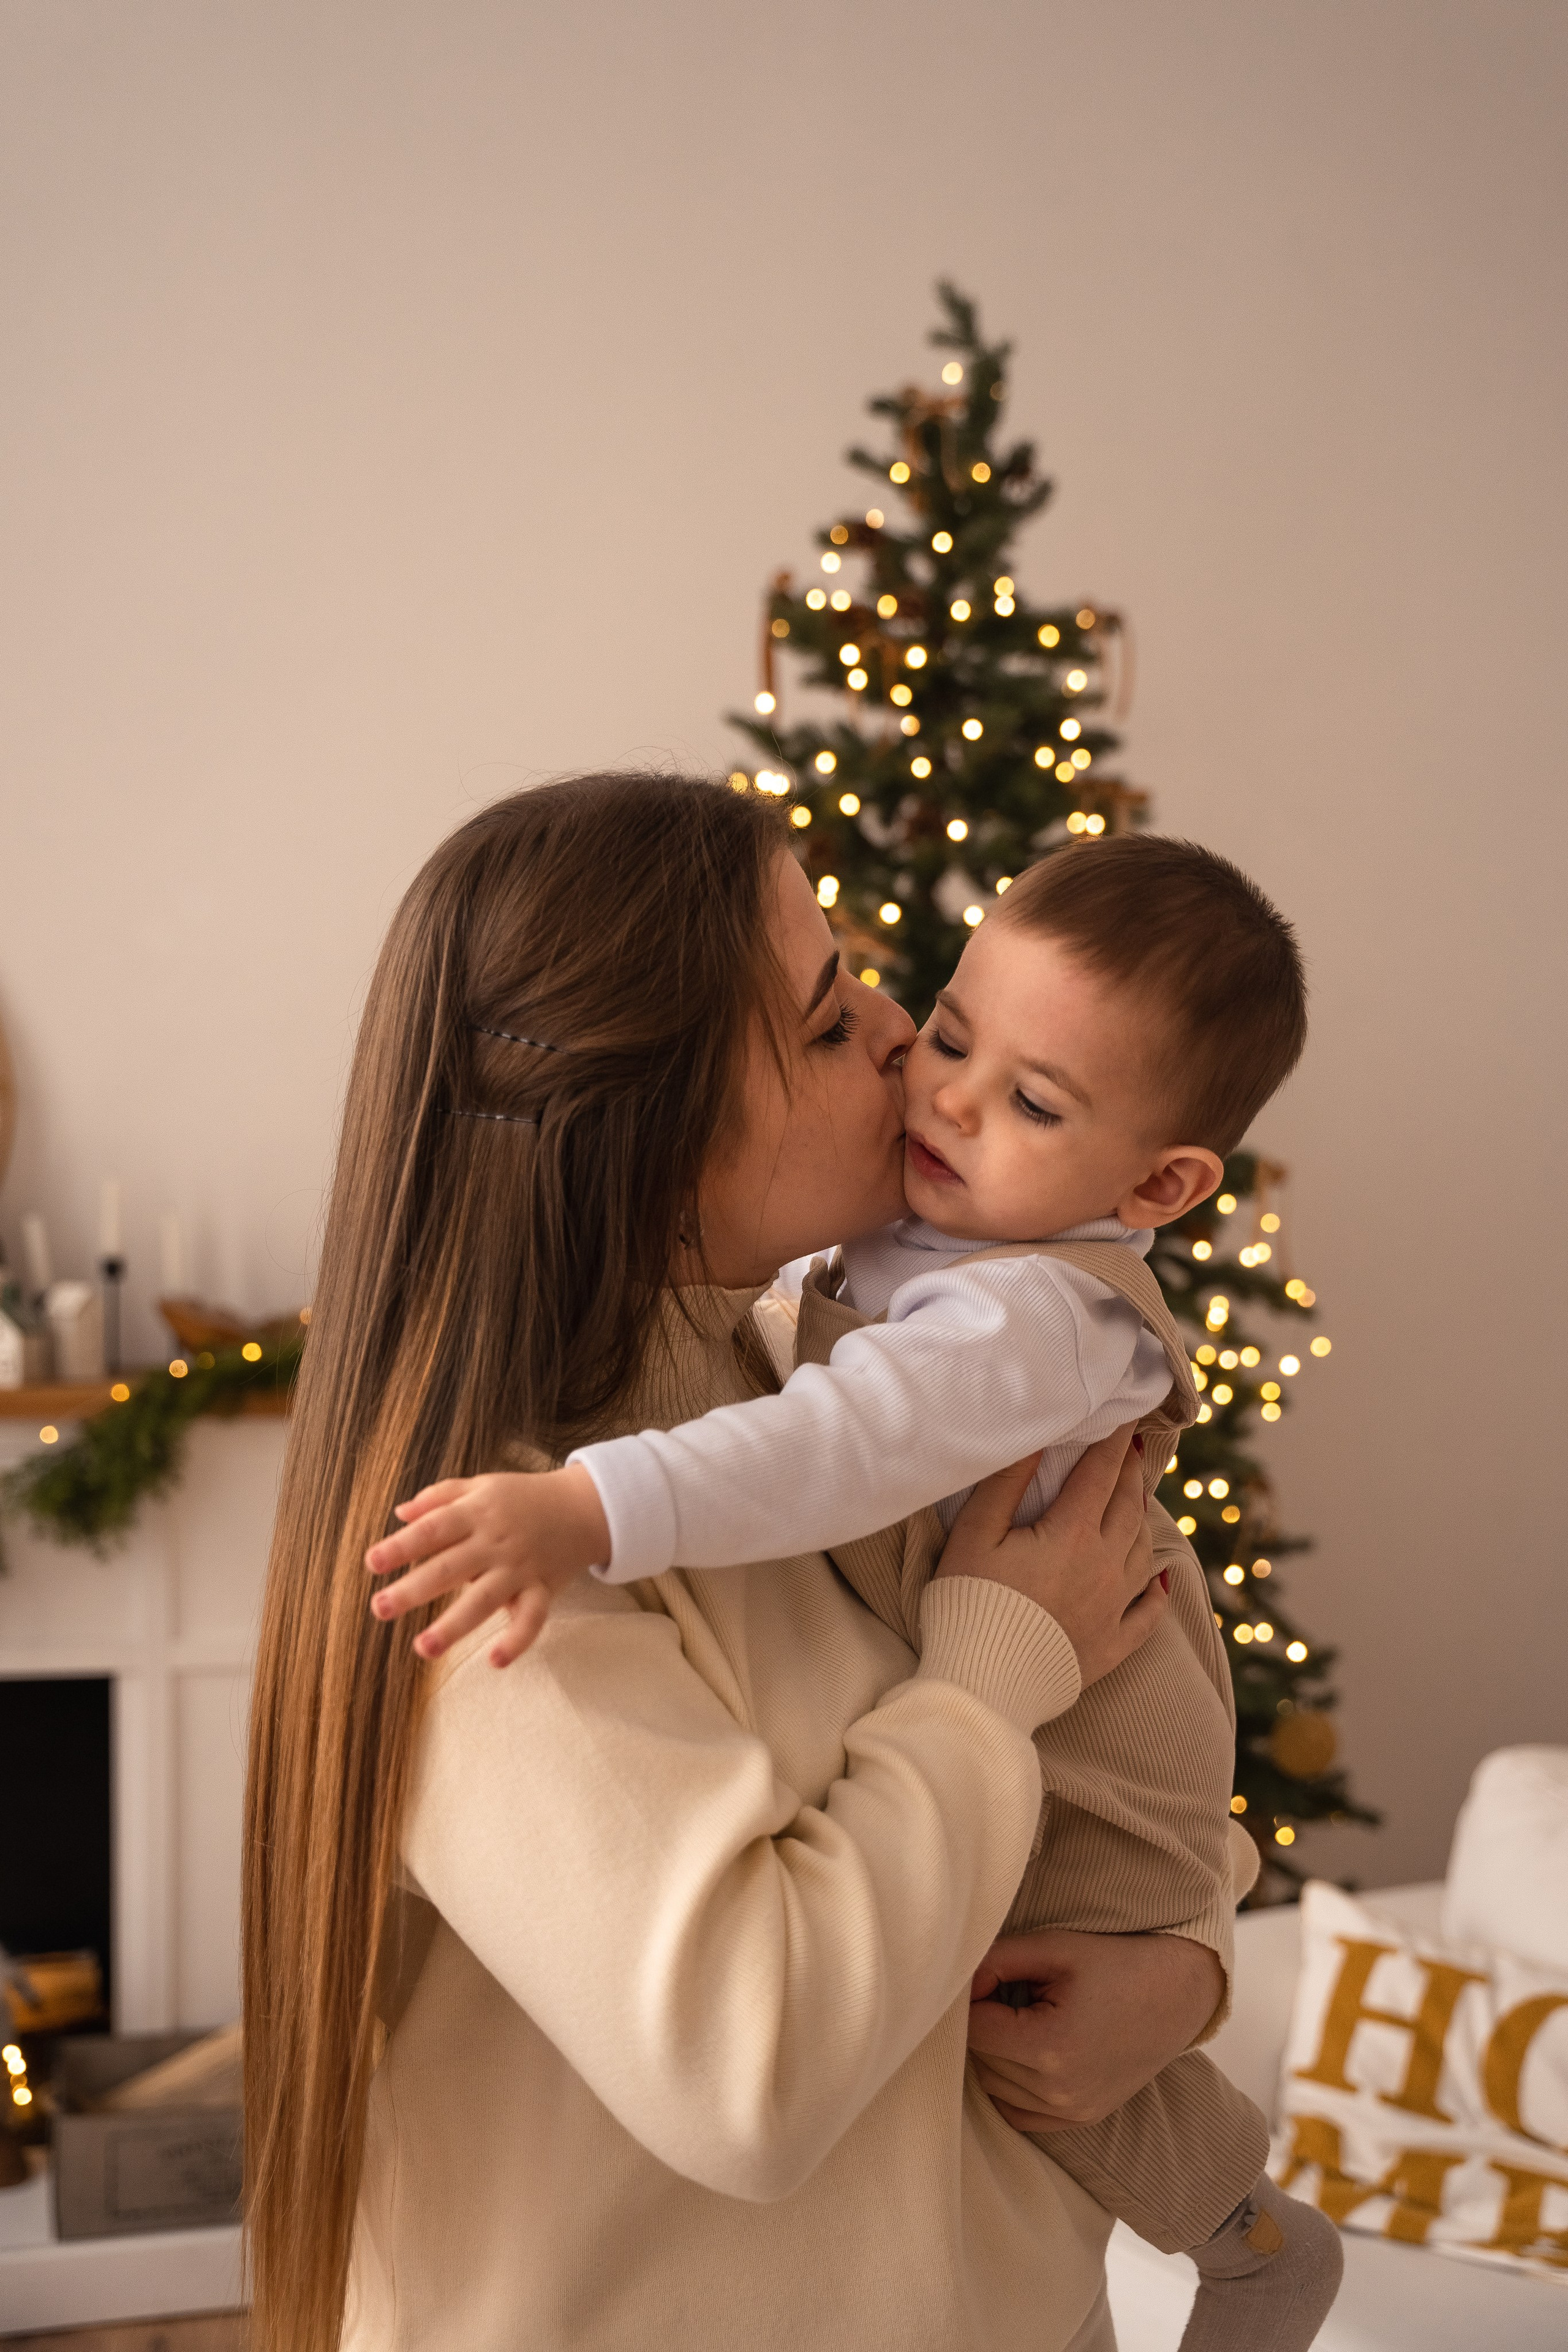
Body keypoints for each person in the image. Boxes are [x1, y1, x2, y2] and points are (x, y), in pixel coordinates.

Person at [245, 773, 1229, 2352]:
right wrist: (986, 1672)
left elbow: (1139, 1733)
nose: (908, 1033)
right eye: (831, 1019)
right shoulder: (497, 1546)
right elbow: (752, 2073)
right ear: (654, 1147)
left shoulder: (815, 1395)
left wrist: (1182, 1970)